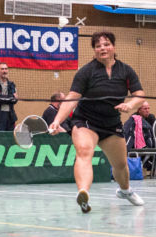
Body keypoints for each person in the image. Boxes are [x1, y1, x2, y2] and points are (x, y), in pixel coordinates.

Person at [49, 31, 145, 213]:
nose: (103, 48)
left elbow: (139, 95)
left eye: (106, 44)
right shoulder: (86, 71)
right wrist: (57, 120)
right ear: (94, 50)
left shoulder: (126, 70)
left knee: (120, 165)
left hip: (111, 124)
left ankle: (125, 191)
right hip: (86, 121)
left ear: (113, 47)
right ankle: (83, 193)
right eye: (98, 46)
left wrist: (130, 104)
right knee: (84, 152)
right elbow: (72, 98)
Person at [0, 63, 18, 131]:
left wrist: (2, 97)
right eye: (2, 69)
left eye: (6, 69)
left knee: (10, 138)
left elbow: (15, 100)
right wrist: (11, 97)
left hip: (10, 116)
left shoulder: (12, 84)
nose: (4, 71)